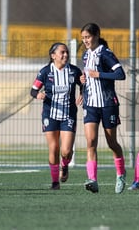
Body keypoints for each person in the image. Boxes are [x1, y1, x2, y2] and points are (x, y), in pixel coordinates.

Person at [80, 23, 126, 194]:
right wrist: (83, 84)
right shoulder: (85, 55)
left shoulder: (105, 54)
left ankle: (121, 174)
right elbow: (87, 76)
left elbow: (120, 74)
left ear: (97, 35)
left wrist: (99, 74)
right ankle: (93, 180)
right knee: (91, 141)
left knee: (111, 143)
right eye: (83, 38)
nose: (85, 41)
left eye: (88, 37)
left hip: (108, 104)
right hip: (90, 104)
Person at [30, 42, 83, 190]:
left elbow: (83, 83)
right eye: (62, 52)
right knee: (54, 148)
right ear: (53, 56)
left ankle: (64, 166)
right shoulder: (45, 72)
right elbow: (33, 90)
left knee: (66, 151)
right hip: (50, 114)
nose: (65, 55)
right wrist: (38, 95)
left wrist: (82, 93)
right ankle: (55, 182)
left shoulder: (74, 71)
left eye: (66, 52)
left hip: (68, 114)